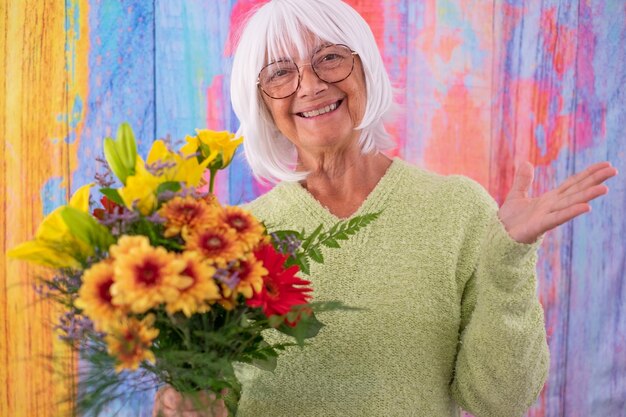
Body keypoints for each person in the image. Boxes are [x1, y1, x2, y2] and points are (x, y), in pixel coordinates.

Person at [154, 0, 618, 416]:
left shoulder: (456, 209)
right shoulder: (235, 239)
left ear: (364, 68)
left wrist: (509, 258)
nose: (311, 85)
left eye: (329, 58)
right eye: (280, 72)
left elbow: (499, 400)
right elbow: (215, 401)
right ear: (261, 101)